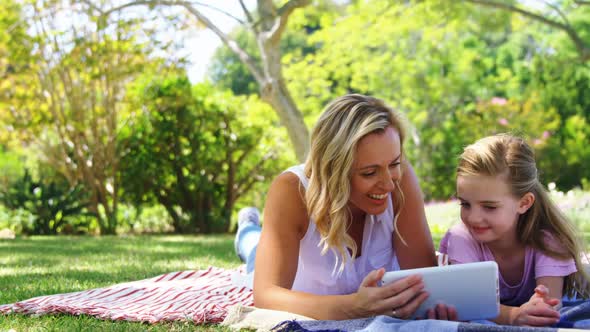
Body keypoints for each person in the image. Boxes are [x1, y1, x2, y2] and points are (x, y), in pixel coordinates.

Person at [234, 94, 457, 320]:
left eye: (395, 164)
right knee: (253, 247)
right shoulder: (292, 190)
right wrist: (353, 307)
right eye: (369, 173)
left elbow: (426, 279)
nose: (389, 183)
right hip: (277, 256)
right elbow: (266, 295)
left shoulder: (400, 181)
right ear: (332, 171)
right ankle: (247, 226)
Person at [439, 133, 590, 326]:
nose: (473, 218)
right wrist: (513, 316)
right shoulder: (461, 238)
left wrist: (540, 305)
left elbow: (548, 308)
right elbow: (470, 304)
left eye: (489, 207)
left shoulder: (548, 241)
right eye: (465, 204)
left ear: (524, 203)